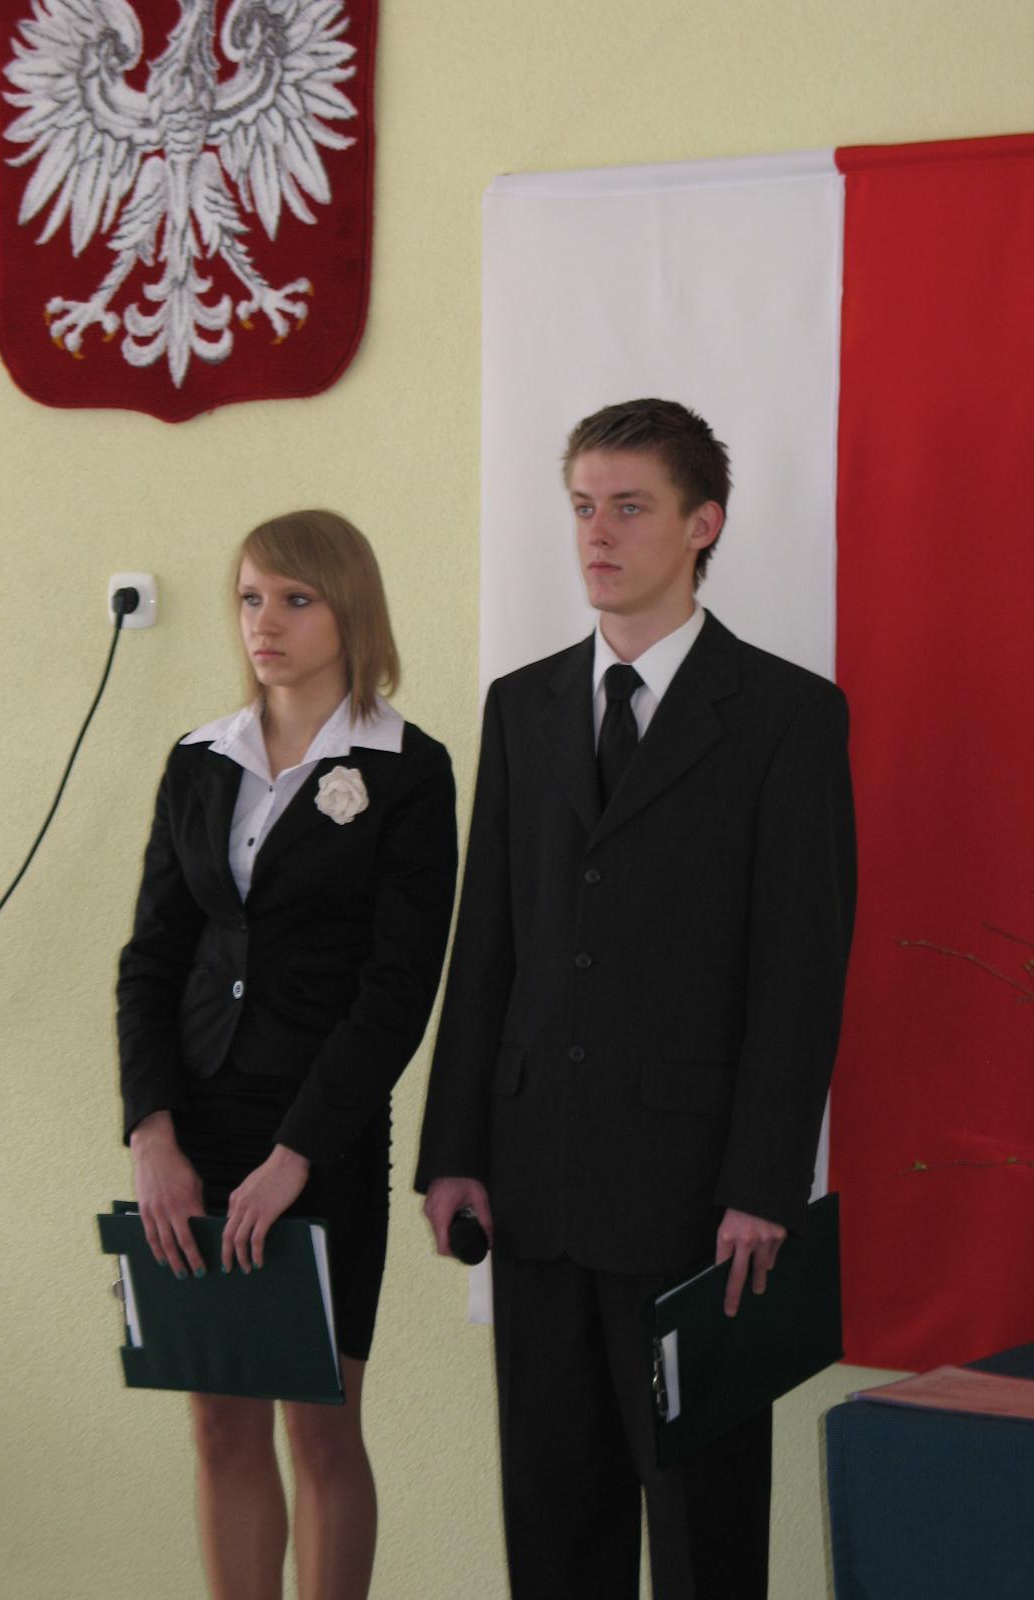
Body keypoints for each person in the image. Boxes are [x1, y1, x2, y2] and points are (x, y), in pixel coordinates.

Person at [416, 400, 856, 1600]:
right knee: (556, 1522)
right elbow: (486, 945)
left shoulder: (788, 717)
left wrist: (764, 1183)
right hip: (537, 1181)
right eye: (581, 506)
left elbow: (800, 973)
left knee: (706, 1533)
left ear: (701, 524)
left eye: (628, 506)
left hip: (698, 1201)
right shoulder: (524, 705)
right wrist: (454, 1149)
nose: (597, 534)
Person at [117, 510, 457, 1600]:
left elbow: (398, 993)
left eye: (296, 600)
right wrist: (152, 1132)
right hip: (198, 1126)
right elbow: (152, 958)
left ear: (350, 611)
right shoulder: (198, 760)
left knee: (320, 1424)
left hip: (325, 1133)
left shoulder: (409, 770)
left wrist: (298, 1151)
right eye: (251, 598)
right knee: (219, 1420)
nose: (265, 622)